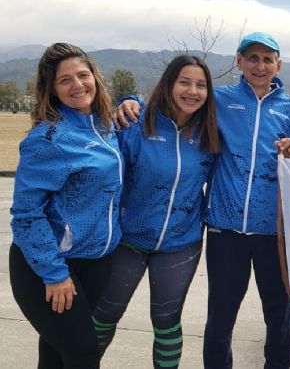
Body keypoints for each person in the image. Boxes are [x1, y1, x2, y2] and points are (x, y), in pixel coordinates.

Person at [116, 32, 290, 369]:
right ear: (239, 61)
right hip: (224, 228)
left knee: (278, 315)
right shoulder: (218, 100)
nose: (260, 65)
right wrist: (131, 99)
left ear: (278, 64)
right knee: (220, 316)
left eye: (268, 59)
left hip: (274, 230)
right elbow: (172, 104)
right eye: (252, 58)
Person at [93, 55, 220, 367]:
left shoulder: (210, 132)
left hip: (181, 243)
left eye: (201, 85)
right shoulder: (135, 123)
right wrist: (128, 100)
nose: (193, 91)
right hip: (128, 239)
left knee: (166, 320)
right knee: (105, 314)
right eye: (184, 82)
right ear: (169, 84)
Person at [9, 42, 122, 368]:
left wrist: (131, 101)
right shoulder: (49, 139)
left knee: (57, 353)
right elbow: (27, 215)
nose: (77, 85)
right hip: (47, 266)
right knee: (84, 353)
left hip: (96, 263)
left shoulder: (107, 127)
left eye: (83, 75)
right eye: (65, 80)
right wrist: (54, 273)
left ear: (95, 78)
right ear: (52, 90)